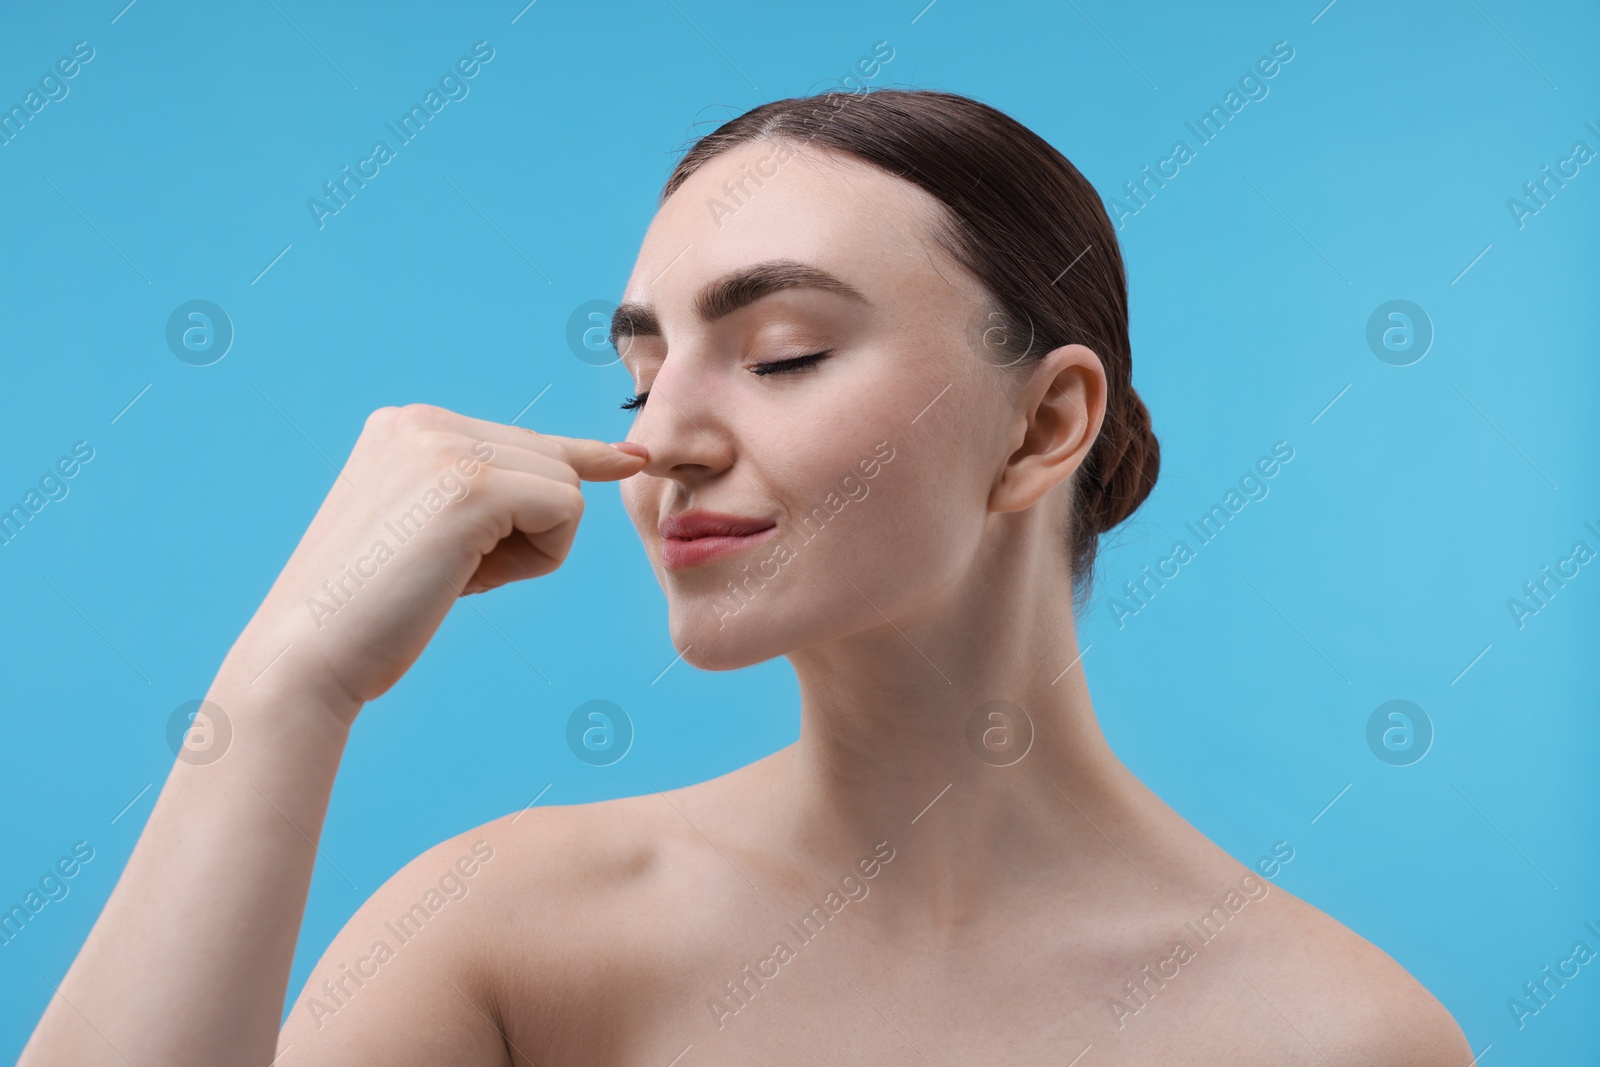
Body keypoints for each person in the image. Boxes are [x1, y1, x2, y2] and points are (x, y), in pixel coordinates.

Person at [20, 87, 1472, 1065]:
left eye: (781, 353)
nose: (663, 441)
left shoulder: (1334, 1033)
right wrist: (286, 687)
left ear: (1044, 423)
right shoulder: (505, 937)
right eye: (641, 373)